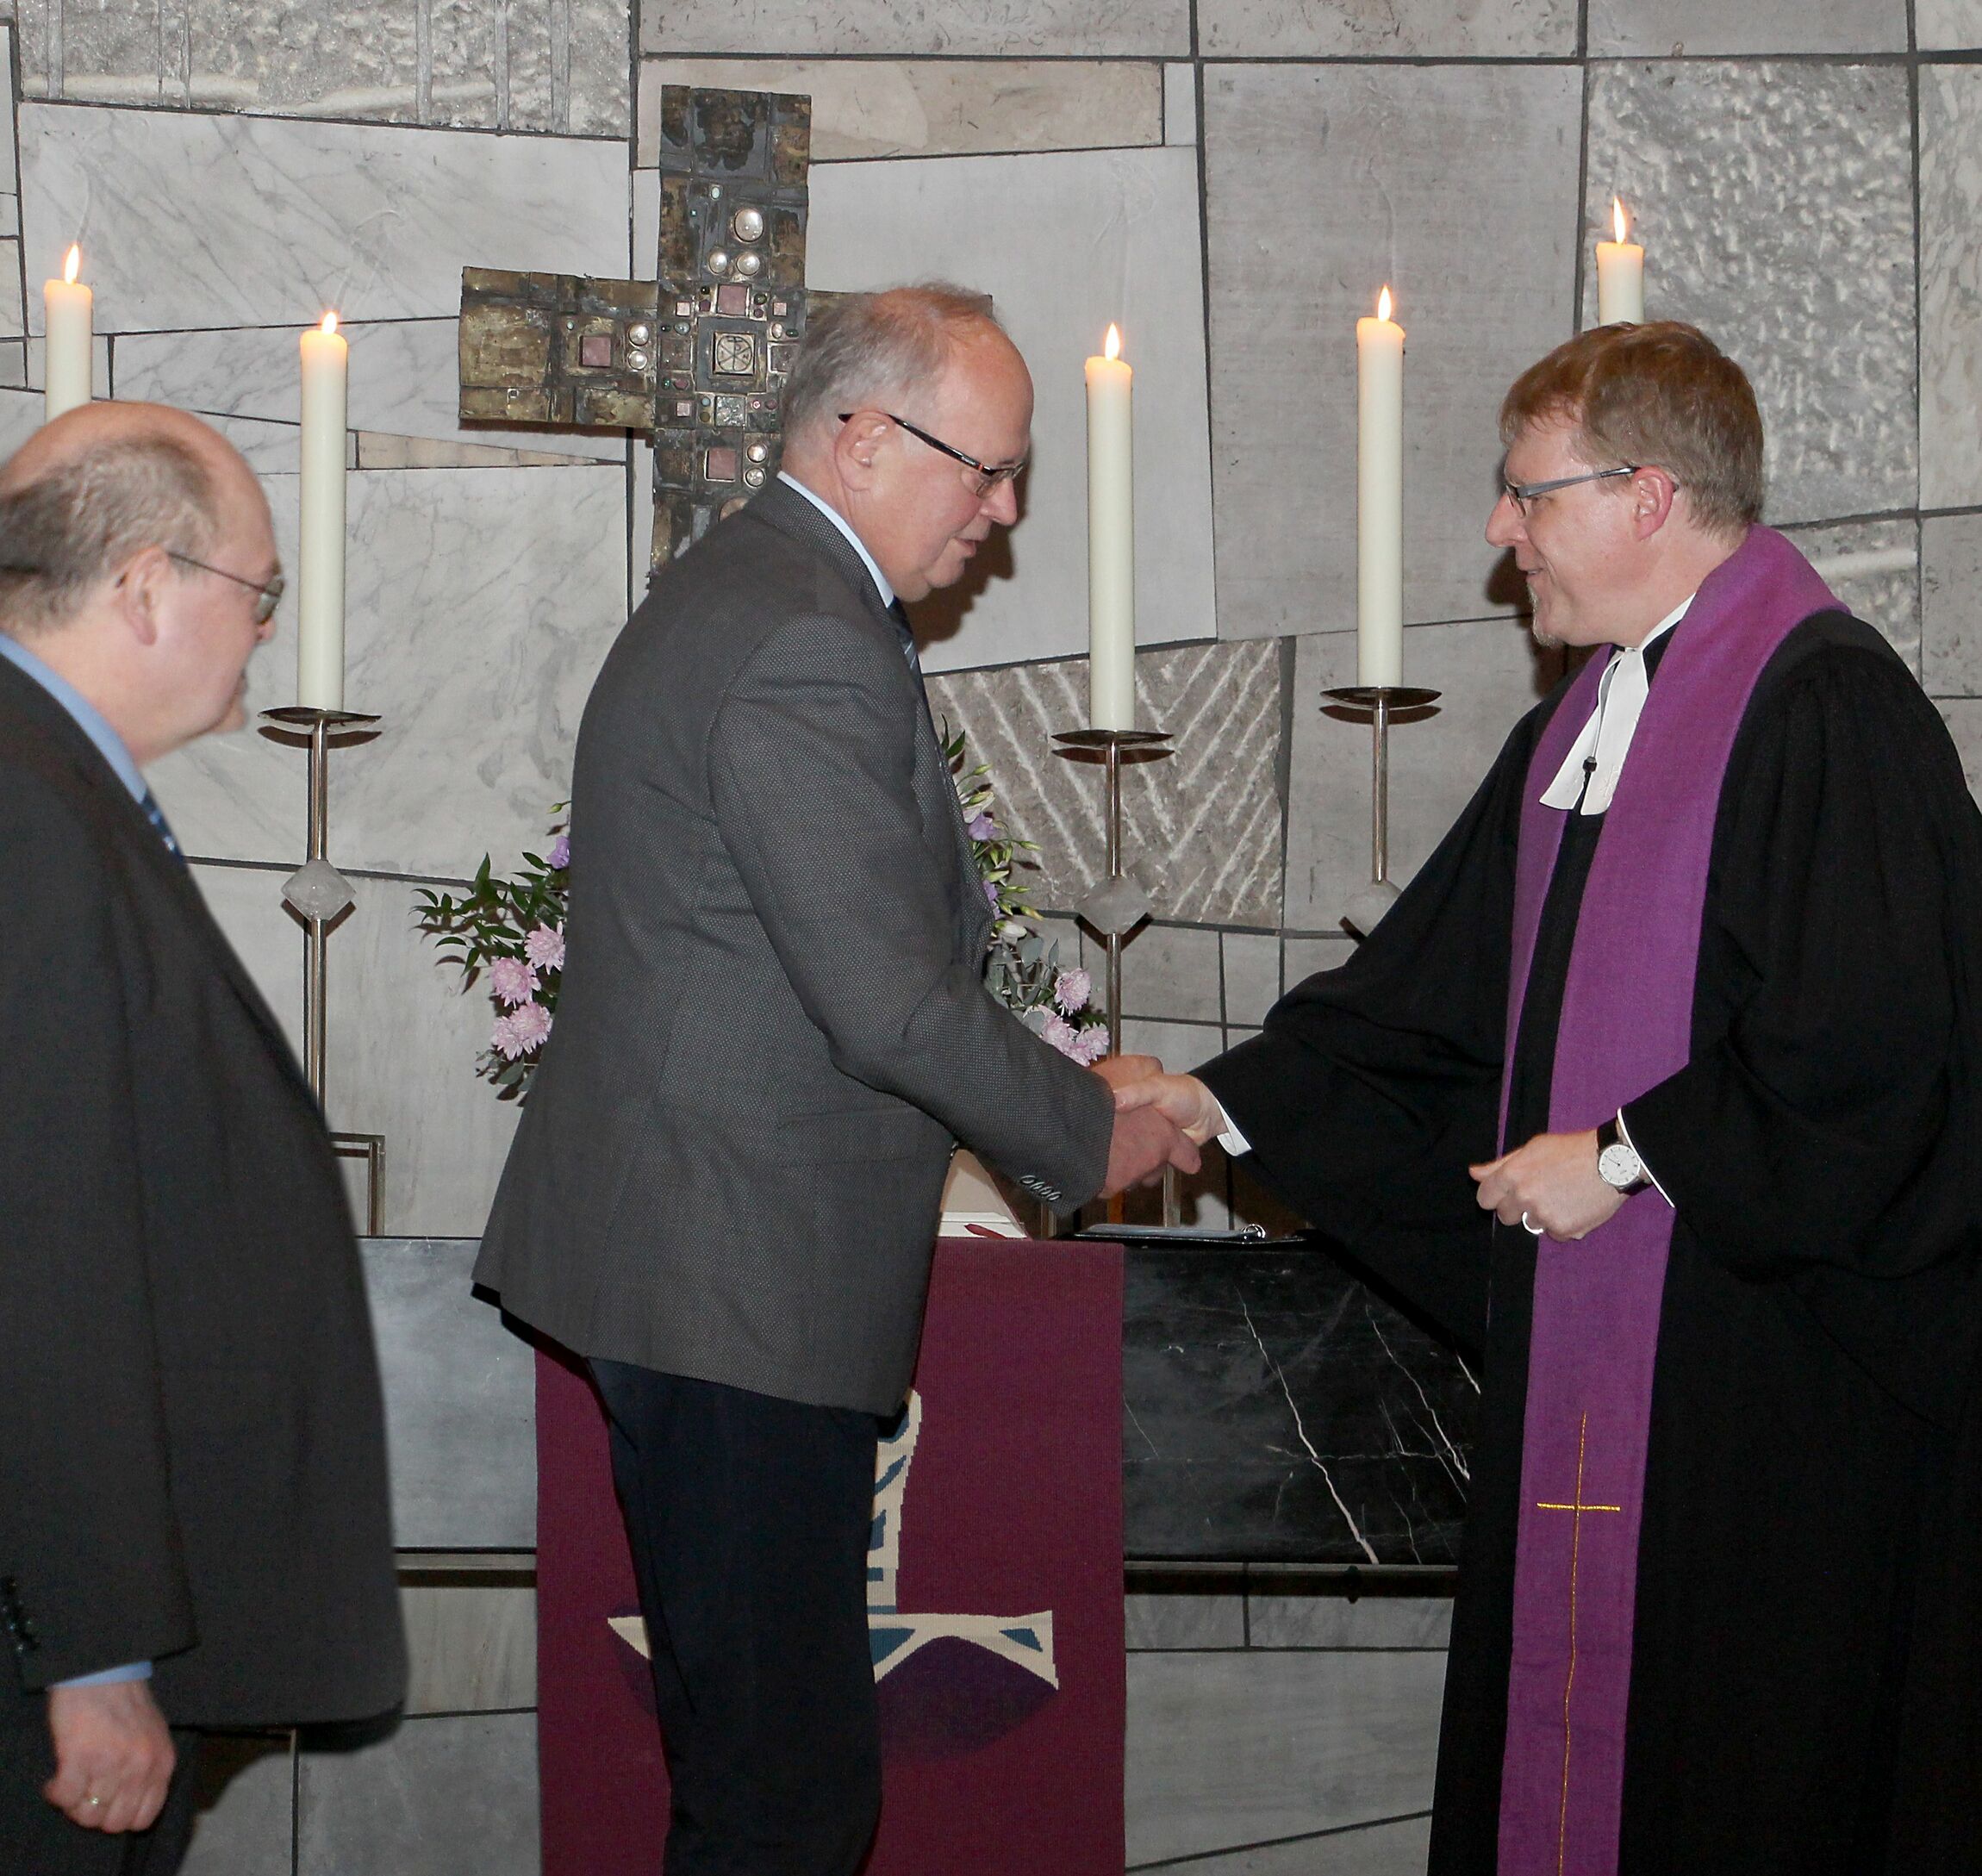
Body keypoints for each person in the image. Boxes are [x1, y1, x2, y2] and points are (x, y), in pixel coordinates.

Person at [1109, 322, 1982, 1872]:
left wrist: (1632, 1155)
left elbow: (1884, 1043)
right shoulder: (1581, 730)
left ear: (1649, 493)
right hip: (1624, 1392)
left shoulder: (1826, 708)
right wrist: (1212, 1099)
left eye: (1529, 494)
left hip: (1767, 1412)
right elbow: (1430, 1002)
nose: (1501, 533)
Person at [474, 284, 1198, 1875]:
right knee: (785, 1803)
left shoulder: (758, 589)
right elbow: (883, 1001)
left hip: (708, 1280)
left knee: (760, 1782)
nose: (1004, 511)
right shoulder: (806, 631)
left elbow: (821, 963)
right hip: (738, 1290)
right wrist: (1092, 1126)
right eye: (984, 468)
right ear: (862, 436)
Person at [0, 402, 406, 1875]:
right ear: (145, 581)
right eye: (260, 592)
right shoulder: (28, 809)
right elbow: (40, 1256)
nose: (263, 634)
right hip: (49, 1644)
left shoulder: (57, 787)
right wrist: (95, 1652)